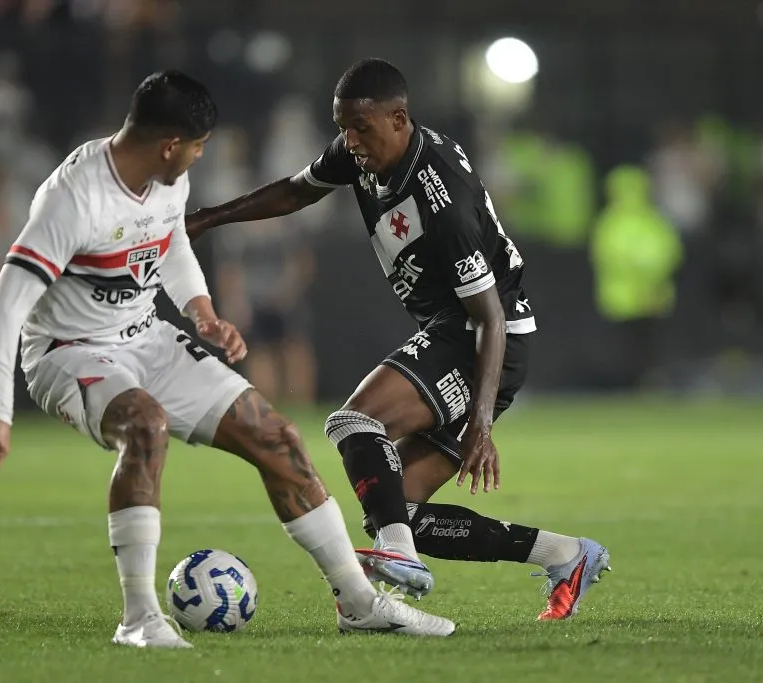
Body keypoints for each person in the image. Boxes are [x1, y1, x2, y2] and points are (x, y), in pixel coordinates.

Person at [0, 70, 455, 649]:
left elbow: (168, 241)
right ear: (170, 144)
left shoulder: (166, 179)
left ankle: (358, 602)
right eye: (196, 147)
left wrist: (201, 311)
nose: (199, 158)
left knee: (276, 437)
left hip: (146, 336)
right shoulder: (75, 198)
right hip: (67, 352)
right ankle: (139, 619)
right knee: (145, 426)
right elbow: (2, 307)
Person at [186, 59, 611, 621]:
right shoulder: (363, 150)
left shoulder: (443, 201)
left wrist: (481, 423)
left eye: (361, 128)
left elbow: (488, 318)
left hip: (482, 338)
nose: (350, 141)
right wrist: (210, 217)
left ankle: (399, 556)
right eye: (343, 127)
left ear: (398, 118)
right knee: (397, 506)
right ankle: (567, 555)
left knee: (355, 422)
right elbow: (296, 191)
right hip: (460, 334)